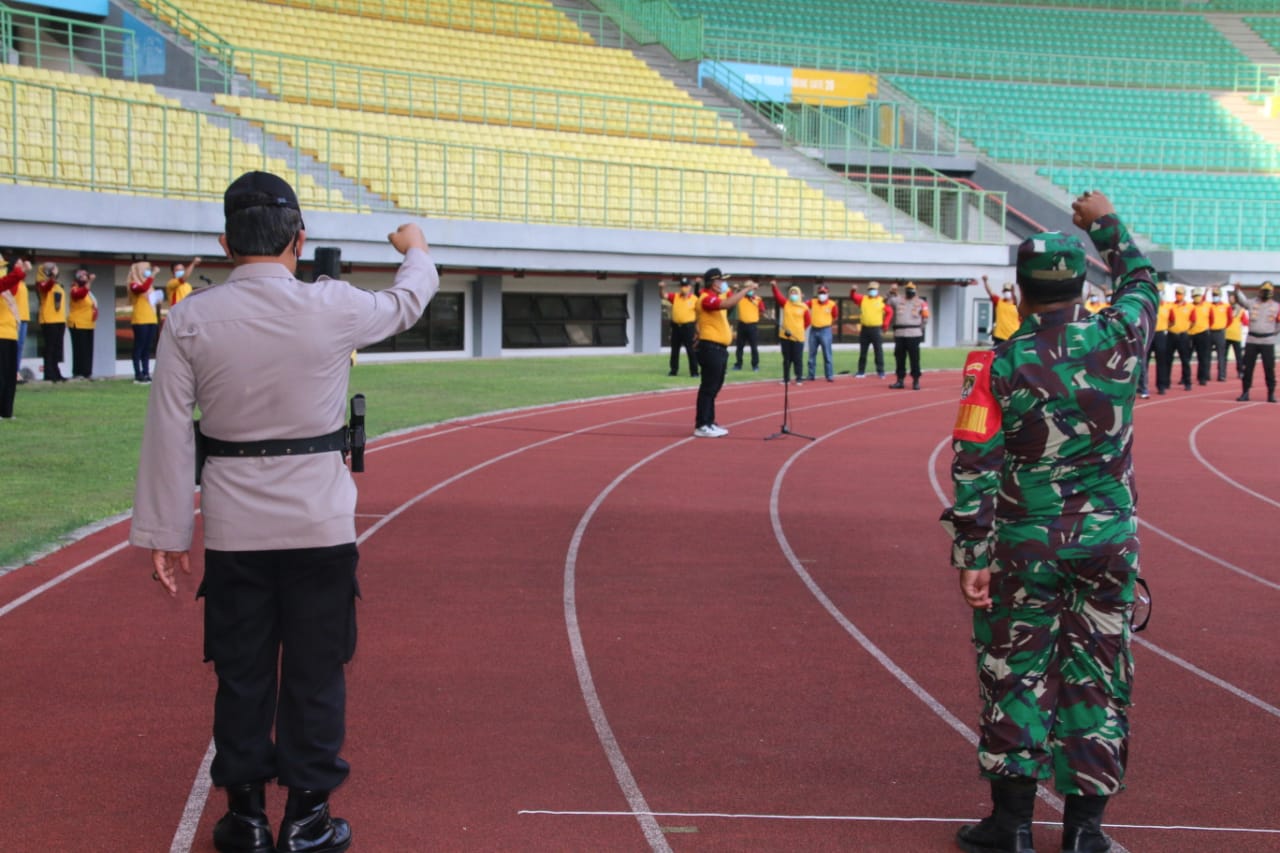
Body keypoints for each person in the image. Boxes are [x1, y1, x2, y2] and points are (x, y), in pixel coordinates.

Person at [130, 171, 441, 853]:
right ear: (299, 240)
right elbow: (409, 299)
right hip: (320, 528)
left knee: (241, 671)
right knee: (316, 669)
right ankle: (307, 815)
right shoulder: (332, 305)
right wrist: (415, 244)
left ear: (224, 243)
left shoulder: (186, 320)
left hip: (237, 530)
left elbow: (169, 432)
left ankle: (244, 815)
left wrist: (165, 532)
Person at [941, 190, 1156, 853]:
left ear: (1019, 291)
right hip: (1105, 545)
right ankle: (1086, 833)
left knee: (1015, 675)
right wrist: (1104, 223)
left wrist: (971, 555)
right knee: (1097, 674)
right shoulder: (1122, 335)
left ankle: (1011, 828)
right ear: (1080, 284)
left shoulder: (998, 364)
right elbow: (1142, 279)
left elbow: (972, 463)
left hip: (1023, 545)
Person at [692, 267, 750, 437]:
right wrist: (746, 290)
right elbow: (727, 303)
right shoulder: (705, 299)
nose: (724, 284)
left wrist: (739, 290)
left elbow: (728, 299)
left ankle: (709, 421)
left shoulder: (715, 297)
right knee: (708, 388)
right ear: (712, 283)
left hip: (719, 349)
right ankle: (702, 424)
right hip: (710, 348)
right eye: (721, 281)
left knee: (714, 387)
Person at [1233, 281, 1279, 403]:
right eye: (1263, 291)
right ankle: (1245, 392)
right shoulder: (1253, 303)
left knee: (1269, 368)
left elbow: (1278, 323)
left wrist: (1274, 333)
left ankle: (1271, 394)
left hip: (1267, 341)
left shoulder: (1276, 306)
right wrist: (1237, 291)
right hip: (1252, 340)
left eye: (1267, 291)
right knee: (1248, 368)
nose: (1265, 293)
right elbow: (1242, 301)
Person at [0, 257, 31, 419]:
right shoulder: (4, 283)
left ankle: (6, 412)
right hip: (1, 334)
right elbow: (7, 283)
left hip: (10, 333)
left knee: (10, 376)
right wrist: (21, 270)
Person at [886, 281, 929, 389]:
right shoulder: (898, 300)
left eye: (912, 291)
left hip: (914, 334)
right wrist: (891, 291)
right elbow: (887, 302)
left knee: (914, 358)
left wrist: (920, 329)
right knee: (899, 358)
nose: (910, 292)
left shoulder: (921, 302)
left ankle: (916, 380)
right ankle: (900, 380)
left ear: (915, 291)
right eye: (908, 290)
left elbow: (925, 318)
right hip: (900, 334)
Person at [772, 279, 810, 386]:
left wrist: (798, 329)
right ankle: (786, 378)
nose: (793, 295)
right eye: (791, 293)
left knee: (798, 359)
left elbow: (808, 321)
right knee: (786, 359)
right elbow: (778, 297)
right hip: (785, 336)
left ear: (799, 295)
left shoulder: (804, 307)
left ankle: (798, 378)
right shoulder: (786, 304)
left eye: (795, 293)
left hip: (798, 337)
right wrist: (774, 287)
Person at [127, 260, 160, 383]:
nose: (149, 271)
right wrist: (153, 274)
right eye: (146, 269)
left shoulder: (150, 286)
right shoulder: (133, 284)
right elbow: (142, 288)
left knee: (147, 348)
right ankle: (138, 373)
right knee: (139, 347)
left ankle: (146, 372)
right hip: (140, 320)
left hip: (151, 319)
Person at [660, 276, 699, 377]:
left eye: (685, 286)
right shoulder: (675, 296)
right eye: (682, 286)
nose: (683, 288)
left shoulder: (694, 299)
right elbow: (663, 296)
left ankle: (694, 372)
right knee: (674, 350)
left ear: (690, 287)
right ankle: (673, 370)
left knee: (691, 350)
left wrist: (698, 331)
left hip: (688, 327)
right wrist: (661, 288)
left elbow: (699, 315)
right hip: (676, 327)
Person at [36, 262, 67, 383]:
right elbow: (45, 287)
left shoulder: (58, 285)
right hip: (48, 319)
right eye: (53, 270)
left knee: (57, 348)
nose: (56, 273)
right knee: (50, 347)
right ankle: (49, 373)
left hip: (59, 319)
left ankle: (56, 371)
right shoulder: (42, 283)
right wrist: (52, 277)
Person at [850, 281, 889, 377]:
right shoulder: (863, 299)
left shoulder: (881, 300)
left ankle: (880, 371)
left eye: (874, 289)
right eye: (871, 289)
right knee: (863, 351)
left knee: (878, 351)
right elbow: (853, 297)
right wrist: (853, 290)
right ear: (868, 290)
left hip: (876, 329)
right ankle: (861, 371)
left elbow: (889, 312)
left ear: (877, 290)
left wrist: (885, 324)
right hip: (865, 329)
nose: (872, 291)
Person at [68, 267, 97, 380]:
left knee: (88, 349)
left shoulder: (89, 292)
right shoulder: (74, 288)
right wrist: (89, 282)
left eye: (86, 275)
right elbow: (80, 294)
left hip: (88, 323)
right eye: (83, 276)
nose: (85, 278)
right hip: (78, 323)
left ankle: (87, 372)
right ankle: (78, 372)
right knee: (80, 348)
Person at [805, 284, 838, 382]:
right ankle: (811, 375)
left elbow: (835, 316)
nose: (821, 294)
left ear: (828, 293)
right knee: (811, 354)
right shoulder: (812, 302)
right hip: (814, 330)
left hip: (825, 330)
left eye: (823, 293)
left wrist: (828, 324)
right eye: (820, 293)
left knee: (827, 354)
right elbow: (803, 306)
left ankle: (829, 375)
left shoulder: (832, 304)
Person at [732, 280, 764, 372]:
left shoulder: (757, 299)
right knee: (739, 346)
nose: (750, 290)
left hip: (752, 325)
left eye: (752, 288)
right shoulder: (740, 298)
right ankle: (738, 364)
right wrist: (735, 289)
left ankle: (755, 365)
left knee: (754, 347)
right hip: (742, 324)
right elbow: (732, 298)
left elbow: (762, 310)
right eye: (748, 287)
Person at [1166, 285, 1194, 391]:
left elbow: (1193, 321)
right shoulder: (1170, 306)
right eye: (1177, 293)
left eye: (1180, 294)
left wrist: (1185, 329)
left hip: (1183, 335)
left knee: (1185, 360)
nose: (1178, 296)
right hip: (1171, 334)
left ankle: (1187, 382)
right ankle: (1166, 382)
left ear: (1184, 295)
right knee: (1167, 360)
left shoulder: (1190, 307)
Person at [982, 277, 1020, 345]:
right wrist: (985, 282)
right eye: (1005, 291)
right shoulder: (999, 302)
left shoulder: (1017, 305)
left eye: (1008, 290)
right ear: (1003, 291)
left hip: (1013, 336)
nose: (1007, 292)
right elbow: (990, 292)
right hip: (1000, 337)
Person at [1188, 287, 1211, 386]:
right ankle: (1186, 377)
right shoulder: (1189, 306)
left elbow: (1212, 319)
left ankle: (1202, 377)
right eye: (1195, 296)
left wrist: (1205, 327)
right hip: (1190, 333)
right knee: (1186, 357)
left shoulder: (1207, 306)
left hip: (1202, 333)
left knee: (1203, 357)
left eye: (1199, 296)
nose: (1197, 298)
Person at [1207, 288, 1229, 382]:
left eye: (1216, 295)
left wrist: (1223, 326)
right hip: (1210, 332)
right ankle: (1206, 374)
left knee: (1221, 355)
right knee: (1207, 355)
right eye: (1214, 295)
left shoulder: (1226, 306)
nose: (1215, 297)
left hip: (1220, 332)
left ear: (1220, 296)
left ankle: (1222, 375)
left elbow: (1230, 319)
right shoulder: (1209, 306)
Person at [1225, 296, 1247, 379]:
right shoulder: (1226, 308)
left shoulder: (1241, 310)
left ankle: (1240, 371)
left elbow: (1245, 322)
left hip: (1236, 335)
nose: (1231, 300)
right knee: (1224, 356)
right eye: (1230, 298)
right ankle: (1222, 372)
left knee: (1238, 355)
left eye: (1232, 299)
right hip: (1226, 335)